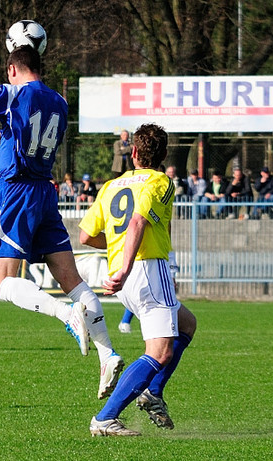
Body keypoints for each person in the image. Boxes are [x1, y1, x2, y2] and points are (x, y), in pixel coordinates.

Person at [0, 46, 124, 400]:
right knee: (73, 281)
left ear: (14, 68)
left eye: (8, 72)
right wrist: (2, 134)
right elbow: (35, 134)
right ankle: (108, 354)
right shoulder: (61, 102)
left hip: (17, 192)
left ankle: (67, 316)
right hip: (45, 193)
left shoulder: (12, 92)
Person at [79, 123, 197, 437]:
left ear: (133, 152)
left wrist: (119, 259)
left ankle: (153, 392)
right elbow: (138, 222)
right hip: (144, 268)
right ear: (163, 155)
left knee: (186, 324)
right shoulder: (162, 181)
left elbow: (86, 235)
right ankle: (105, 418)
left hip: (126, 273)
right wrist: (127, 267)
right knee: (159, 352)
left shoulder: (111, 185)